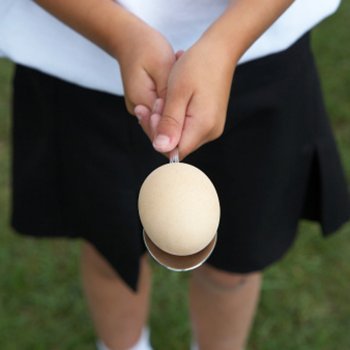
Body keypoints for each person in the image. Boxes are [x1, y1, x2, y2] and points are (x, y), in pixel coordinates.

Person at [1, 0, 349, 349]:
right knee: (111, 252)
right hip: (83, 53)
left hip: (257, 42)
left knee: (237, 260)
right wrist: (121, 35)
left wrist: (226, 44)